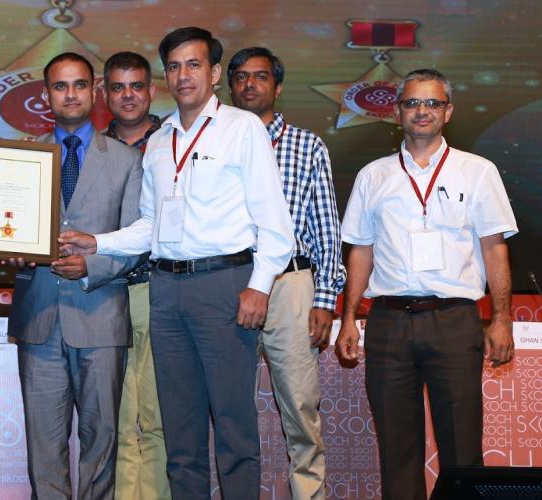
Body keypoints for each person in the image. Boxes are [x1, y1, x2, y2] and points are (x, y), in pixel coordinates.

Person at [60, 27, 295, 498]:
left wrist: (260, 285)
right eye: (174, 66)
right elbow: (151, 225)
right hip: (166, 292)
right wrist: (97, 243)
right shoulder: (161, 140)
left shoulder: (242, 128)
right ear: (165, 77)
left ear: (212, 73)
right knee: (181, 432)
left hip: (225, 286)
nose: (183, 75)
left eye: (194, 65)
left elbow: (275, 223)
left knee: (234, 429)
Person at [336, 68, 517, 500]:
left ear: (448, 111)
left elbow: (495, 249)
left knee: (462, 447)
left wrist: (502, 320)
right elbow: (360, 250)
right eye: (413, 103)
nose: (422, 111)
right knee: (397, 447)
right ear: (397, 113)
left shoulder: (478, 172)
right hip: (388, 323)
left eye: (432, 103)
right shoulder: (373, 175)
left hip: (454, 321)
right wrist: (348, 319)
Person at [7, 52, 144, 500]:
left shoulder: (126, 161)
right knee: (43, 450)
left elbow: (137, 238)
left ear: (94, 91)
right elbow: (2, 233)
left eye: (79, 85)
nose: (70, 94)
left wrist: (94, 265)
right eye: (60, 86)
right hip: (39, 317)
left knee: (101, 445)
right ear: (46, 95)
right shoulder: (21, 159)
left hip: (101, 314)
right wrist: (13, 252)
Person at [227, 46, 345, 500]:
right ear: (229, 85)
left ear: (277, 86)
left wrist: (324, 300)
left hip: (290, 284)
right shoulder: (216, 143)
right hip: (230, 281)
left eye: (260, 77)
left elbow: (325, 227)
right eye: (240, 77)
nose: (249, 85)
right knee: (228, 406)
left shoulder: (307, 144)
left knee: (299, 409)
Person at [100, 51, 170, 500]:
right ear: (104, 95)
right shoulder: (91, 149)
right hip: (105, 294)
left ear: (151, 90)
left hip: (162, 289)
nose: (128, 96)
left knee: (161, 415)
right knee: (119, 417)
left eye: (137, 86)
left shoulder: (173, 142)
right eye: (118, 87)